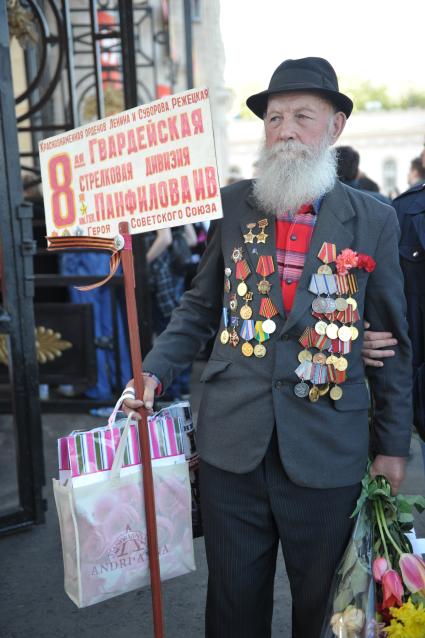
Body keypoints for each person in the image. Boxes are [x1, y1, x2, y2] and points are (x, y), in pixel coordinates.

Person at [123, 57, 412, 638]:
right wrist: (152, 371)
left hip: (328, 441)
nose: (284, 129)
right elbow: (200, 307)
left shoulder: (373, 219)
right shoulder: (232, 206)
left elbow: (393, 341)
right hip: (234, 442)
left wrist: (392, 446)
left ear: (335, 127)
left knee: (329, 610)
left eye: (302, 116)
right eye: (274, 117)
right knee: (232, 603)